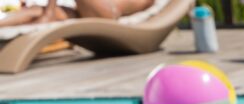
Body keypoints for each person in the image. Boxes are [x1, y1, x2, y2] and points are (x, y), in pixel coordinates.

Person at [0, 0, 151, 26]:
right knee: (35, 10)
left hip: (107, 13)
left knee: (47, 12)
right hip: (83, 11)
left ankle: (48, 14)